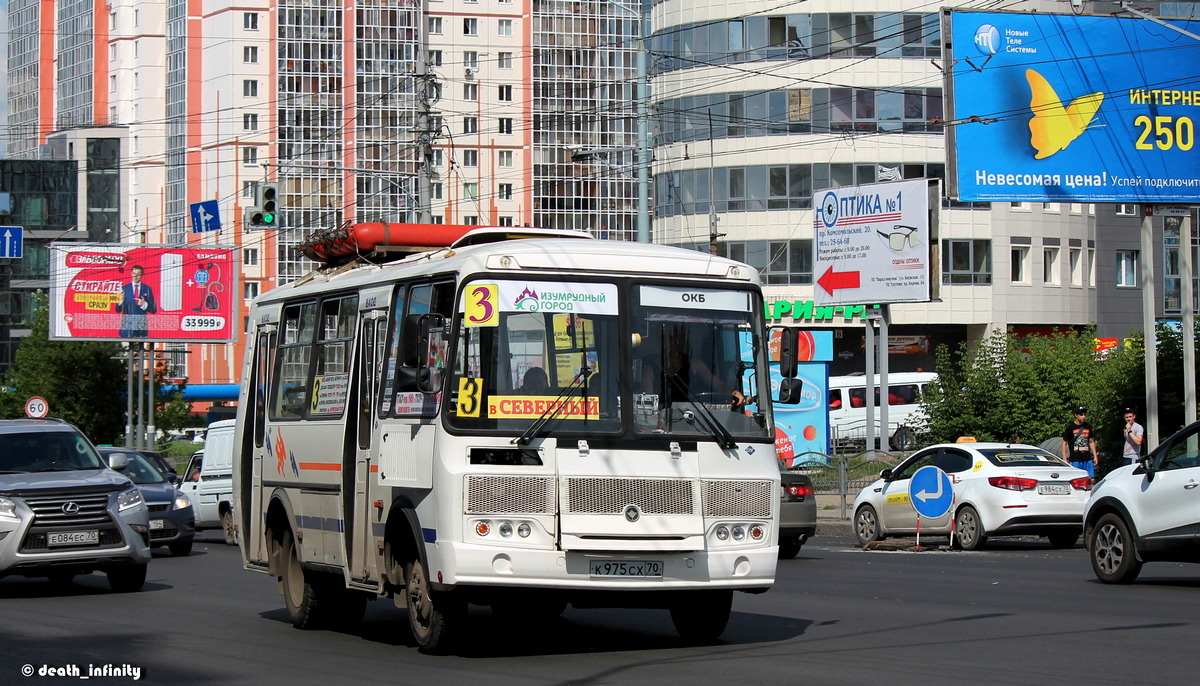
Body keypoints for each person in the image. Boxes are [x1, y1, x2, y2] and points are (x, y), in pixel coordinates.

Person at [116, 264, 157, 338]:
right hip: (127, 327)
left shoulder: (147, 289)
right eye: (134, 274)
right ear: (131, 274)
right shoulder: (124, 289)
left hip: (141, 327)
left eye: (138, 274)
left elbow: (154, 310)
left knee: (141, 348)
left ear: (142, 275)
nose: (135, 276)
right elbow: (118, 310)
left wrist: (144, 305)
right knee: (125, 348)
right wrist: (121, 300)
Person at [1061, 406, 1098, 478]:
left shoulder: (1088, 426)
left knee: (1091, 478)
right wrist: (1064, 458)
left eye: (1084, 414)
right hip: (1075, 459)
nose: (1083, 417)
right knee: (1077, 478)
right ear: (1076, 415)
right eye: (1081, 415)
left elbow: (1091, 441)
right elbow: (1064, 443)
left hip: (1087, 457)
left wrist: (1095, 456)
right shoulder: (1070, 427)